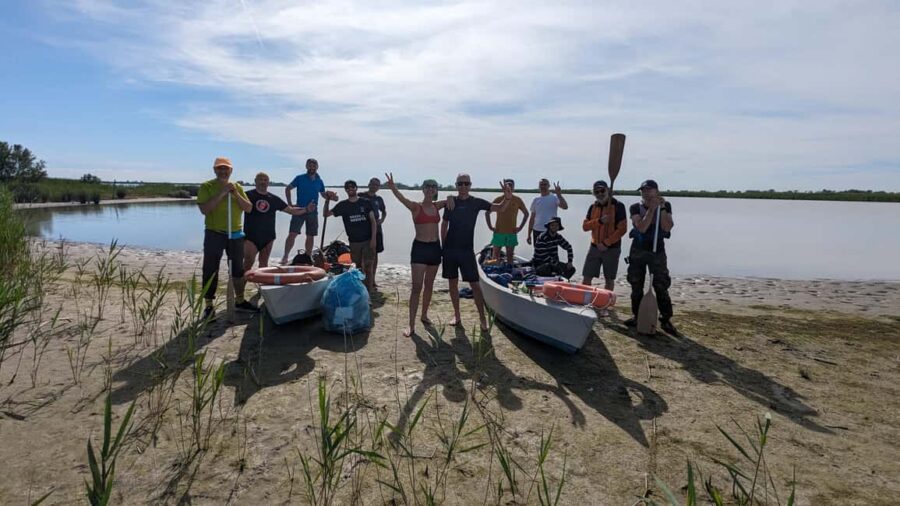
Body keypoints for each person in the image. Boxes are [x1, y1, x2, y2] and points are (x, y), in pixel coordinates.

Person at [442, 174, 512, 332]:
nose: (463, 186)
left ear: (470, 185)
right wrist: (443, 245)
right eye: (460, 184)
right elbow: (444, 224)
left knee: (475, 285)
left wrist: (507, 198)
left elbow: (498, 208)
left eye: (466, 183)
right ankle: (457, 315)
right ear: (456, 185)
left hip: (467, 250)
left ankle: (482, 318)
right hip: (450, 250)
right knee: (452, 283)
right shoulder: (450, 203)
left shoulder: (476, 202)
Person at [384, 173, 451, 337]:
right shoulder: (416, 207)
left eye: (433, 186)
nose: (430, 189)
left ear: (436, 190)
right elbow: (402, 199)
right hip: (420, 249)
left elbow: (455, 199)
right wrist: (393, 188)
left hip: (435, 248)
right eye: (427, 186)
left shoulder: (438, 206)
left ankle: (424, 315)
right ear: (423, 190)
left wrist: (450, 196)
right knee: (416, 288)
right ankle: (411, 325)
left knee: (429, 286)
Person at [196, 157, 253, 319]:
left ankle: (240, 300)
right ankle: (208, 305)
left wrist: (235, 193)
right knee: (210, 268)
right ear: (214, 170)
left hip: (235, 234)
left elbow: (248, 208)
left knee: (237, 269)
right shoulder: (207, 187)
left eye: (226, 168)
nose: (223, 171)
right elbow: (205, 210)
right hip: (215, 233)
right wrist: (222, 193)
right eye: (220, 168)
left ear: (231, 171)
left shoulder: (238, 187)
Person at [624, 179, 677, 334]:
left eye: (649, 190)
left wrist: (660, 209)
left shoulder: (666, 206)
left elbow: (667, 226)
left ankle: (666, 319)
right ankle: (637, 315)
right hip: (638, 251)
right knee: (636, 284)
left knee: (661, 285)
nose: (646, 193)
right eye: (643, 190)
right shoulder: (635, 207)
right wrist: (651, 210)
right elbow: (641, 227)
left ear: (656, 191)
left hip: (657, 252)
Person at [243, 172, 316, 278]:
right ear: (255, 181)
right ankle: (240, 291)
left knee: (263, 265)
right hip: (251, 236)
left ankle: (262, 291)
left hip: (268, 236)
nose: (263, 182)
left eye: (265, 180)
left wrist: (306, 209)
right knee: (248, 263)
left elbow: (291, 210)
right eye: (260, 179)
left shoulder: (273, 198)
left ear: (268, 182)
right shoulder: (247, 195)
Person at [324, 180, 377, 293]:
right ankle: (360, 291)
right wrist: (327, 201)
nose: (350, 189)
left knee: (368, 267)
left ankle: (369, 292)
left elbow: (373, 222)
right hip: (354, 242)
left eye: (352, 187)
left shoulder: (366, 202)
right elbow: (326, 214)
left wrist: (373, 239)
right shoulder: (343, 205)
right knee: (357, 268)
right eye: (348, 188)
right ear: (346, 190)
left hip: (367, 240)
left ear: (356, 188)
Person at [280, 158, 335, 265]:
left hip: (313, 212)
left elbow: (323, 194)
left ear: (317, 167)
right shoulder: (299, 178)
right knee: (292, 233)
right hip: (299, 210)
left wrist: (330, 196)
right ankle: (285, 256)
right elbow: (287, 189)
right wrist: (290, 205)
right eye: (310, 165)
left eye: (314, 165)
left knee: (310, 235)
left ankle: (308, 257)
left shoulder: (319, 181)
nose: (312, 167)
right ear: (306, 166)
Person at [581, 180, 627, 290]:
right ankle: (584, 301)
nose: (600, 193)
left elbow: (622, 230)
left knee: (609, 279)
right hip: (594, 247)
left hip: (612, 249)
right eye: (597, 192)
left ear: (608, 191)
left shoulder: (618, 206)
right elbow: (585, 227)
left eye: (602, 190)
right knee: (586, 277)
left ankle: (606, 304)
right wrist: (600, 221)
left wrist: (606, 243)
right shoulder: (593, 207)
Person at [485, 178, 529, 265]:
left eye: (511, 185)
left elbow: (526, 214)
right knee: (495, 256)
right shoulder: (498, 199)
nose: (509, 187)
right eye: (507, 185)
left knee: (509, 255)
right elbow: (487, 213)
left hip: (511, 233)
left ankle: (509, 271)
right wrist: (490, 227)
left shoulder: (517, 200)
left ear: (513, 188)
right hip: (499, 232)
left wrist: (520, 228)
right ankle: (493, 270)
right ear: (503, 187)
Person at [359, 177, 387, 288]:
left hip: (377, 228)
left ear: (379, 187)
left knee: (375, 254)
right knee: (362, 255)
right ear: (369, 184)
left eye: (377, 185)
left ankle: (373, 279)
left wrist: (382, 220)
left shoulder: (379, 199)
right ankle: (362, 278)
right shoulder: (361, 195)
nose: (374, 186)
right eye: (373, 184)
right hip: (363, 228)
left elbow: (384, 211)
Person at [526, 179, 569, 245]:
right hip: (537, 231)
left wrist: (559, 195)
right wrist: (529, 235)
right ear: (539, 187)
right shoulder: (536, 200)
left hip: (550, 231)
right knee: (538, 253)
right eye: (541, 185)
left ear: (549, 186)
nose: (543, 186)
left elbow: (565, 207)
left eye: (545, 184)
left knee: (551, 253)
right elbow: (532, 218)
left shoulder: (554, 198)